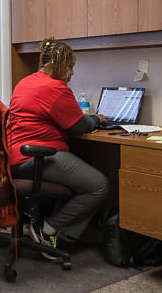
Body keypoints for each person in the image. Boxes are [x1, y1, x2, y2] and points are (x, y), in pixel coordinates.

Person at [6, 37, 109, 256]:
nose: (72, 73)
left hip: (15, 156)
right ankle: (47, 229)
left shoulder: (26, 82)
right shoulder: (55, 88)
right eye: (70, 67)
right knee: (99, 185)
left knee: (86, 162)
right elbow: (79, 127)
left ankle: (55, 230)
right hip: (36, 156)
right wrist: (97, 119)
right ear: (57, 65)